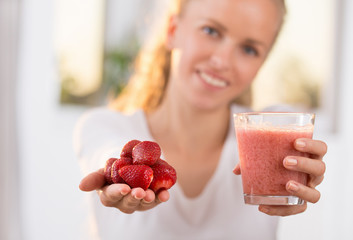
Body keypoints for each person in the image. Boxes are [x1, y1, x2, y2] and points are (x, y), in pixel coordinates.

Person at [74, 0, 327, 239]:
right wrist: (119, 174)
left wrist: (299, 163)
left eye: (249, 49)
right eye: (211, 31)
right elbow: (108, 151)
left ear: (261, 64)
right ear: (172, 31)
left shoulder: (267, 134)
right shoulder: (104, 126)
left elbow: (285, 120)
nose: (221, 61)